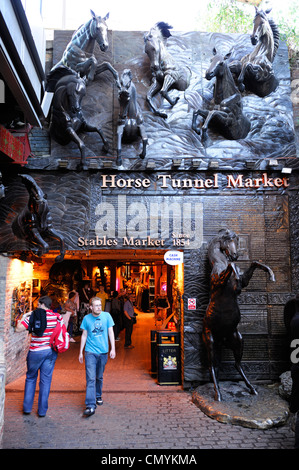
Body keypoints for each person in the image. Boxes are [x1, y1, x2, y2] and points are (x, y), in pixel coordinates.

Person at [15, 295, 61, 417]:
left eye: (38, 305)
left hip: (35, 352)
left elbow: (18, 329)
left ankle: (27, 408)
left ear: (41, 304)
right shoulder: (57, 317)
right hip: (50, 352)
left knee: (31, 377)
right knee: (45, 381)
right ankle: (42, 411)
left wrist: (24, 316)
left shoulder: (34, 316)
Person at [79, 297, 116, 417]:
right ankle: (90, 405)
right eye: (96, 306)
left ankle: (98, 395)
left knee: (99, 377)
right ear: (91, 307)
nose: (99, 307)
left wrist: (113, 348)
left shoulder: (107, 316)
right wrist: (80, 352)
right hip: (90, 352)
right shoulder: (86, 319)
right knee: (90, 378)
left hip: (103, 352)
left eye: (100, 305)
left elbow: (111, 332)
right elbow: (84, 335)